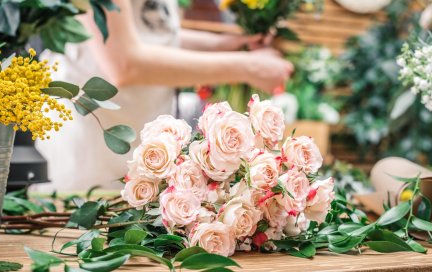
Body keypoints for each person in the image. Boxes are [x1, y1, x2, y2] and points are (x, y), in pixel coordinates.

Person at [35, 0, 293, 191]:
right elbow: (124, 64)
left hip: (138, 136)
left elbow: (156, 35)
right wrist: (247, 67)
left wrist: (228, 44)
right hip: (90, 144)